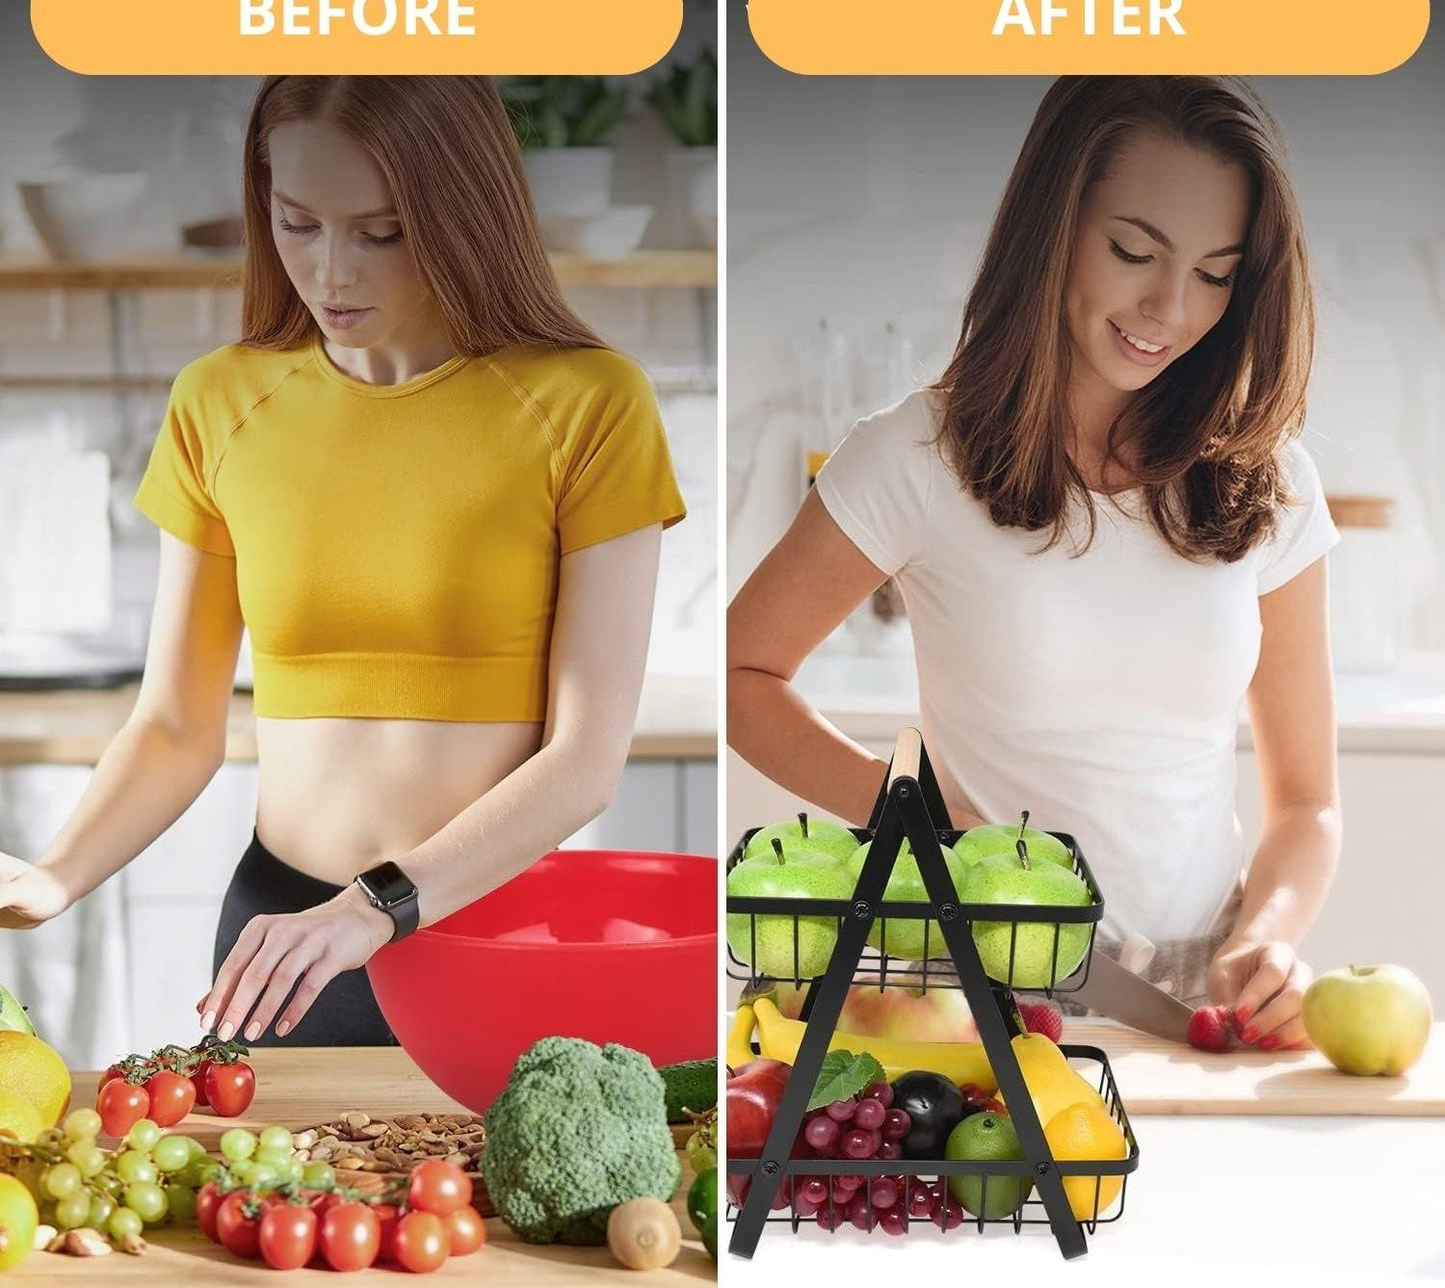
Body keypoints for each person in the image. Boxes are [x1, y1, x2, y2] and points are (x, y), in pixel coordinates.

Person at [0, 76, 685, 1048]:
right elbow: (172, 724)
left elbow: (583, 760)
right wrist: (56, 871)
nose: (330, 273)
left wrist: (378, 904)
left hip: (492, 933)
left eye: (382, 231)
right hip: (280, 941)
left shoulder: (587, 403)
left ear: (462, 216)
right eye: (297, 222)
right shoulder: (219, 401)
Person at [728, 76, 1341, 1052]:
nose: (1168, 307)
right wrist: (917, 817)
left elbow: (1306, 800)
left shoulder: (1268, 478)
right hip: (967, 988)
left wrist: (1262, 941)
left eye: (1215, 272)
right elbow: (738, 674)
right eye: (1132, 251)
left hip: (1195, 999)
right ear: (1052, 228)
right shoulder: (916, 453)